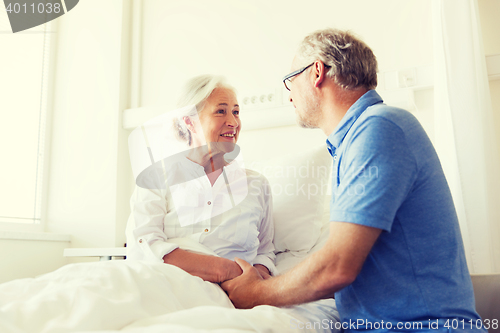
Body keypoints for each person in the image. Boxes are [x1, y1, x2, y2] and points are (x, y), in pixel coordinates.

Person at [221, 29, 485, 331]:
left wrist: (255, 293)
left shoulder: (379, 127)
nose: (289, 93)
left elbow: (337, 266)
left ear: (316, 72)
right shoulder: (356, 141)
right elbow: (357, 267)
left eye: (290, 80)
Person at [126, 74, 277, 284]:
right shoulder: (156, 178)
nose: (233, 122)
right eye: (221, 111)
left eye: (236, 112)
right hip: (166, 285)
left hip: (234, 295)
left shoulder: (257, 185)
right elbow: (145, 244)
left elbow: (265, 252)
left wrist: (254, 284)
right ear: (189, 122)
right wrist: (223, 270)